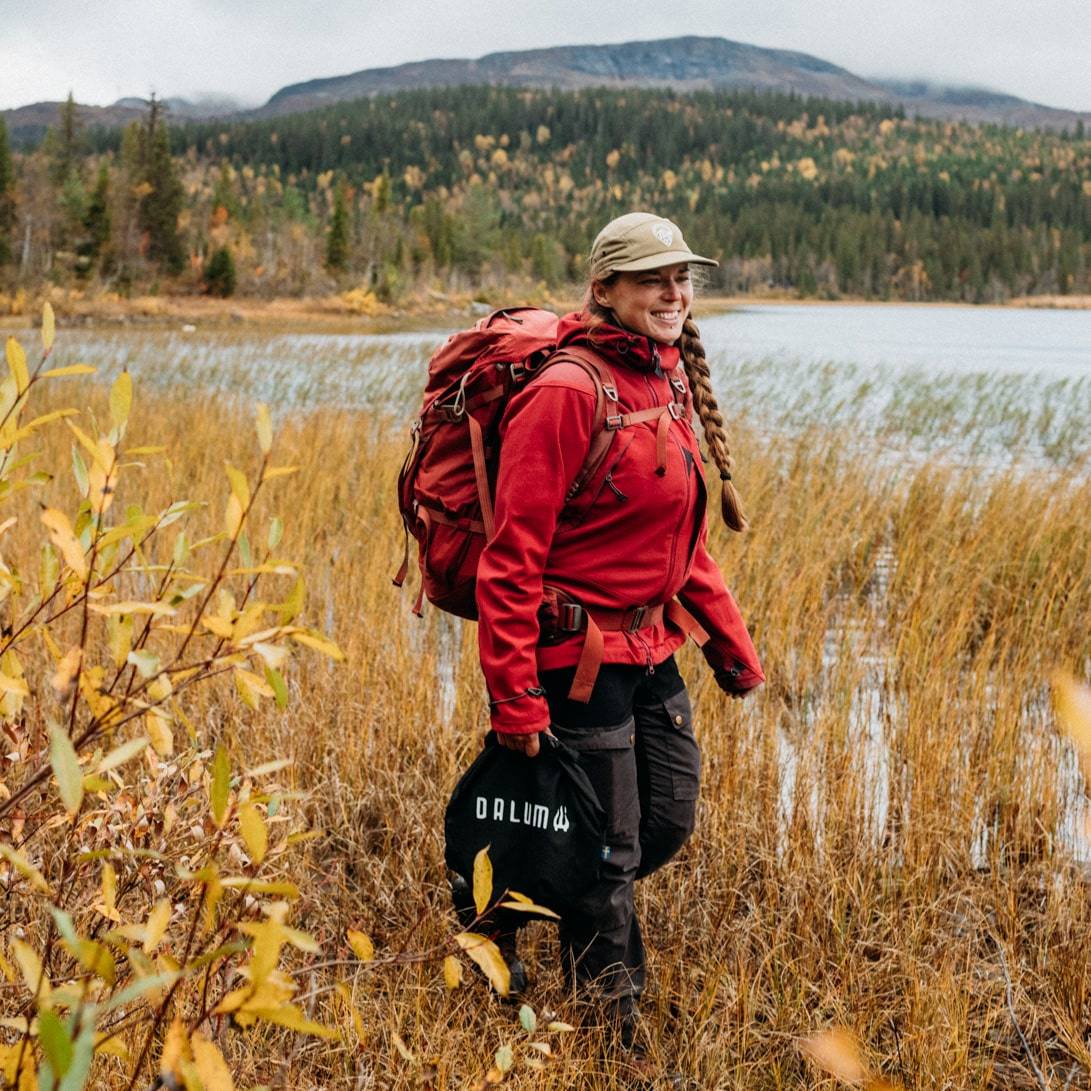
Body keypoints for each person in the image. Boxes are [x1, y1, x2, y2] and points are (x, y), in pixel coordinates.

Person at [474, 212, 764, 1059]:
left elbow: (682, 545)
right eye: (652, 279)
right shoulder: (567, 392)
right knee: (610, 851)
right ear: (604, 289)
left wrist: (729, 648)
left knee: (664, 820)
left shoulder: (663, 384)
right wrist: (514, 698)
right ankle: (612, 1038)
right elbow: (509, 560)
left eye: (682, 278)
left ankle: (523, 886)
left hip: (651, 651)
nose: (674, 294)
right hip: (572, 660)